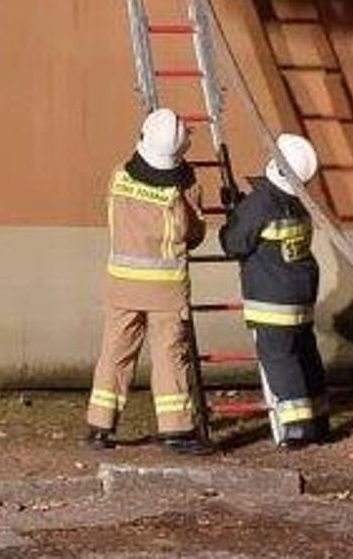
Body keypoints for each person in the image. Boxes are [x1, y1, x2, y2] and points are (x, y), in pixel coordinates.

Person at [85, 108, 214, 455]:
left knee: (115, 353)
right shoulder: (183, 187)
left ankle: (99, 425)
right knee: (169, 356)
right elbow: (194, 233)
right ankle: (177, 430)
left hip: (121, 286)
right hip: (165, 291)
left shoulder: (118, 176)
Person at [220, 133, 329, 448]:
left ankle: (298, 427)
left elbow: (234, 243)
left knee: (279, 358)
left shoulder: (260, 204)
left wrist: (234, 215)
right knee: (305, 354)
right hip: (300, 294)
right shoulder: (297, 203)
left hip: (271, 299)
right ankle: (318, 418)